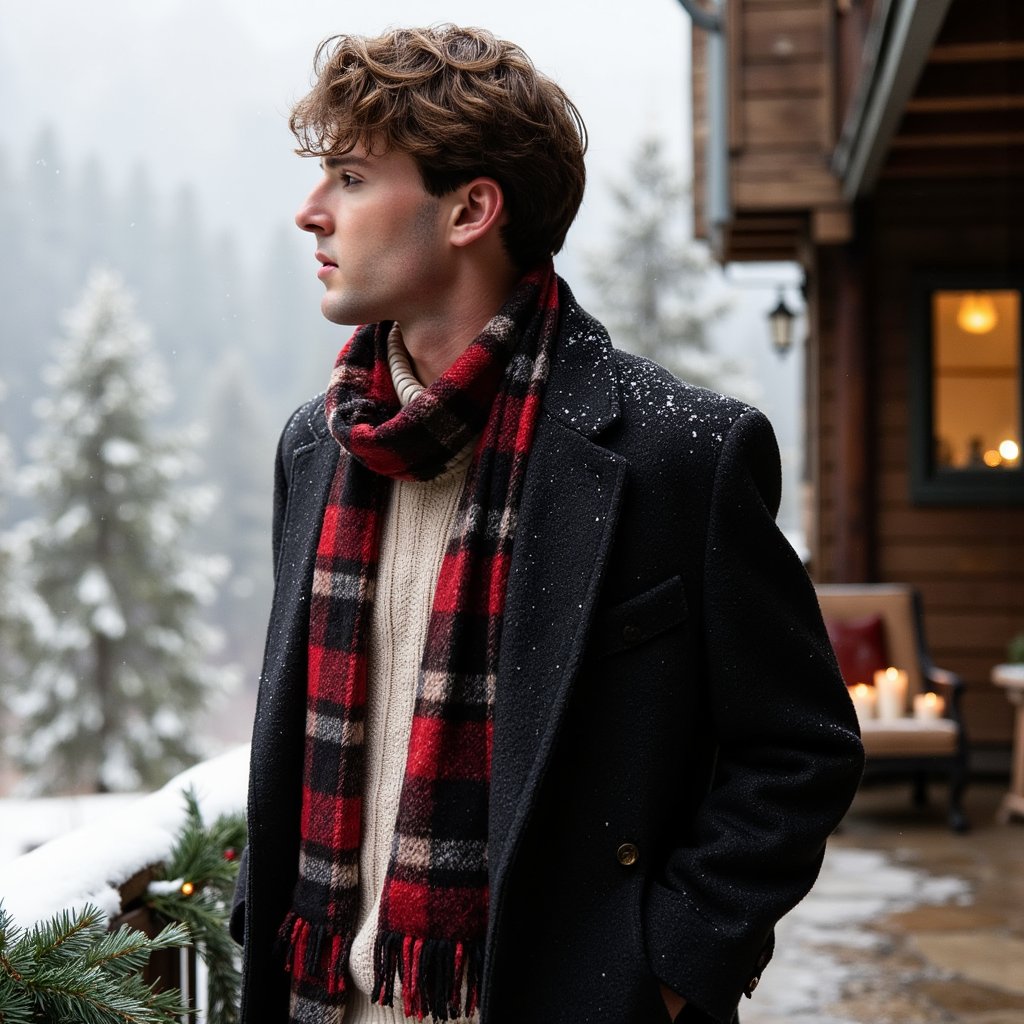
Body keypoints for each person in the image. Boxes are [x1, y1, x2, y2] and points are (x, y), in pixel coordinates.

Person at [230, 24, 864, 1024]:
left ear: (470, 209)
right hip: (320, 999)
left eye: (350, 178)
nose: (311, 212)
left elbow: (799, 749)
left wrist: (665, 969)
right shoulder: (316, 447)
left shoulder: (677, 454)